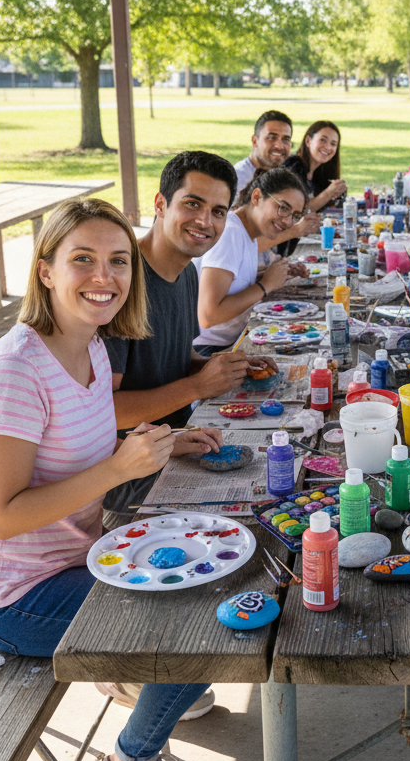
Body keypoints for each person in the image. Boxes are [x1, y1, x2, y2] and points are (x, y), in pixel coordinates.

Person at [0, 197, 224, 761]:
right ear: (45, 271)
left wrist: (165, 442)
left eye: (118, 262)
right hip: (13, 596)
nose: (105, 277)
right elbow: (4, 516)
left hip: (81, 557)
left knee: (220, 568)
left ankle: (137, 674)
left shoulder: (92, 345)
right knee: (202, 627)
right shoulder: (13, 371)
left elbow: (91, 435)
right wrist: (116, 470)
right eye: (83, 260)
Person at [103, 151, 263, 514]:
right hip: (130, 477)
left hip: (180, 442)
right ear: (160, 204)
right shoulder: (122, 284)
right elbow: (105, 412)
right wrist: (198, 386)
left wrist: (222, 366)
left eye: (219, 212)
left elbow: (175, 358)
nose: (205, 221)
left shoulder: (186, 271)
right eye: (192, 204)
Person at [196, 168, 311, 353]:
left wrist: (273, 275)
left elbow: (232, 282)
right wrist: (265, 286)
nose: (289, 222)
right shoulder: (230, 233)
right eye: (283, 208)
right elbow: (209, 315)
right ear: (256, 197)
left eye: (295, 215)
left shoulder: (248, 234)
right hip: (206, 351)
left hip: (232, 340)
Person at [269, 120, 346, 255]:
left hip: (296, 240)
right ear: (308, 141)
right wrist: (327, 194)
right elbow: (294, 213)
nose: (328, 147)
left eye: (333, 144)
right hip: (277, 246)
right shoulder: (294, 166)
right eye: (323, 140)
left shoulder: (317, 173)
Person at [232, 110, 294, 193]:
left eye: (285, 139)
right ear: (255, 141)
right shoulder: (237, 181)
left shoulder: (290, 178)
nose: (280, 146)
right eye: (271, 138)